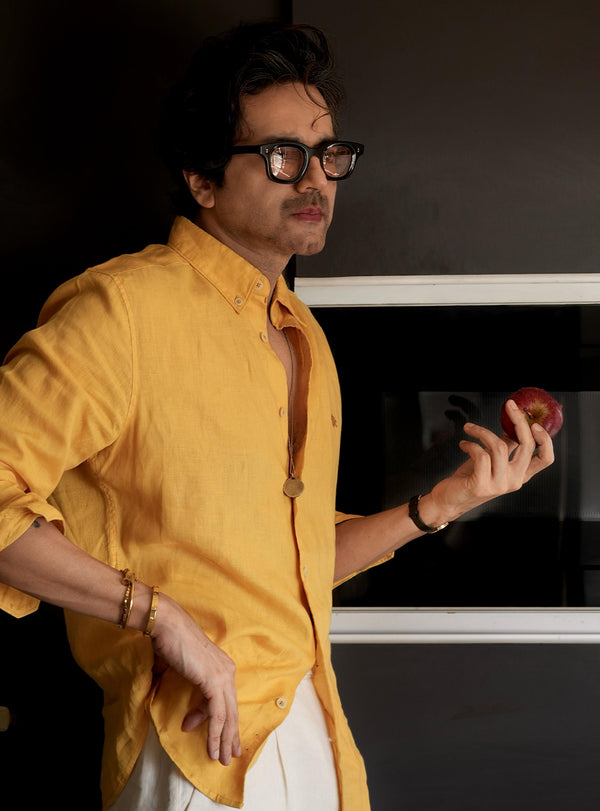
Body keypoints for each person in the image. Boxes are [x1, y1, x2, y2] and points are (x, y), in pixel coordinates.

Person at [0, 21, 554, 811]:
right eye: (282, 155)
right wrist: (160, 616)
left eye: (328, 154)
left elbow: (289, 565)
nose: (316, 179)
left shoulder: (305, 338)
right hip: (196, 749)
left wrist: (441, 505)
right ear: (202, 178)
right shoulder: (122, 309)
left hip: (313, 733)